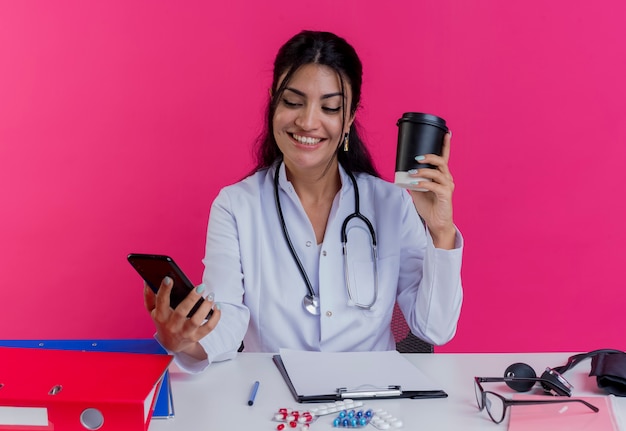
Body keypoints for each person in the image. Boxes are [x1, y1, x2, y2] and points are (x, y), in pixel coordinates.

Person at [144, 30, 463, 372]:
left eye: (329, 107)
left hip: (373, 401)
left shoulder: (392, 203)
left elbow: (434, 328)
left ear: (350, 118)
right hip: (272, 403)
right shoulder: (236, 206)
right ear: (273, 101)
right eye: (293, 102)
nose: (308, 121)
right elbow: (226, 319)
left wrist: (441, 232)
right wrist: (186, 341)